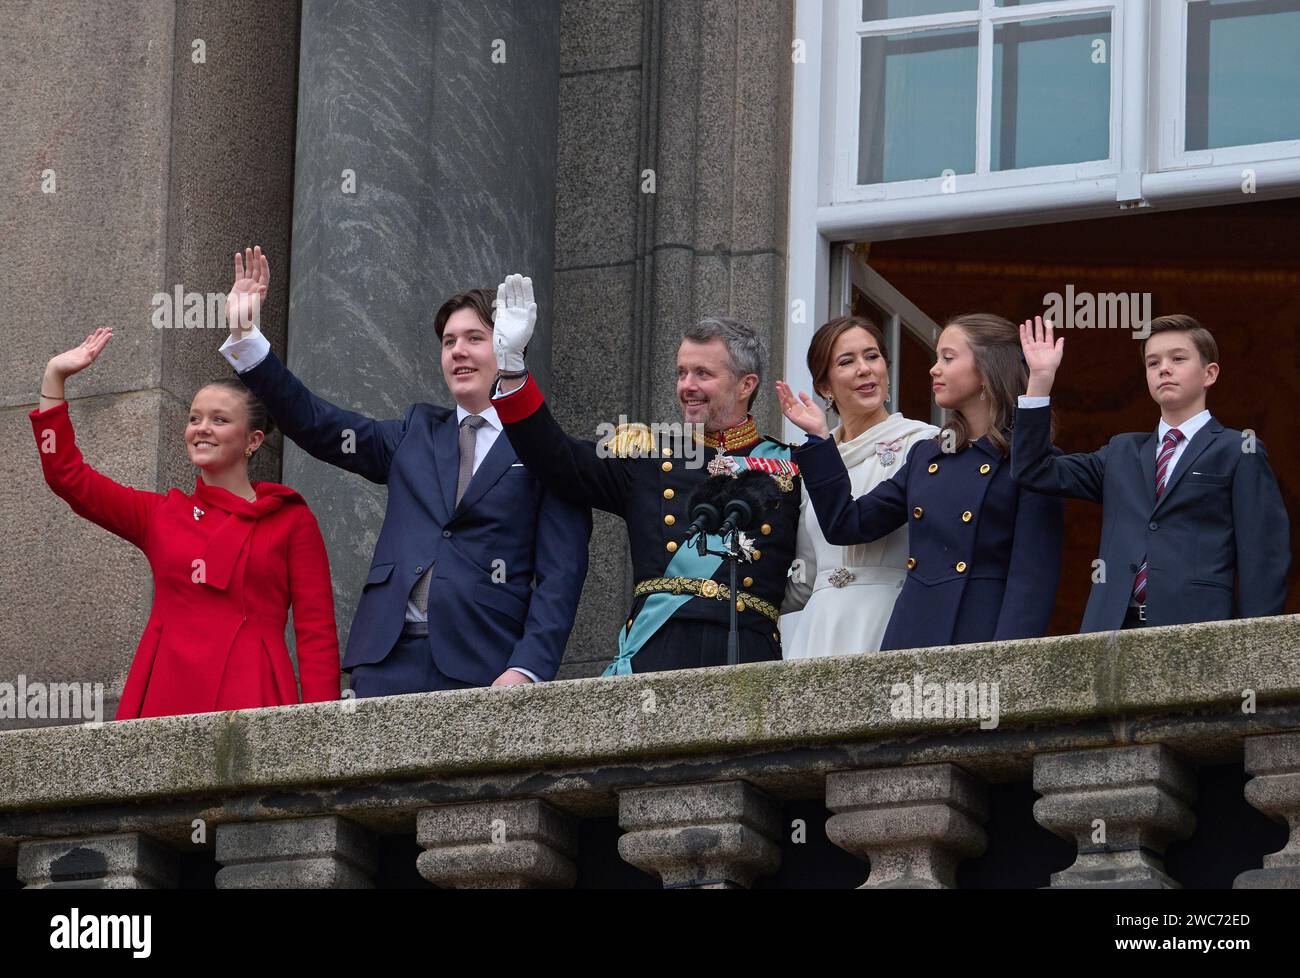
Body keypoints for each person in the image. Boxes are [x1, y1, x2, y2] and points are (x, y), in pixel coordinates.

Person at [218, 247, 590, 695]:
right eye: (449, 342)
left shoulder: (547, 450)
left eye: (474, 338)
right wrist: (247, 339)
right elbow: (317, 424)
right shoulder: (416, 431)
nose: (458, 351)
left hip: (486, 665)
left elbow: (560, 576)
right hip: (385, 660)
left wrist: (527, 669)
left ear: (510, 343)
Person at [490, 274, 802, 674]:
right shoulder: (647, 455)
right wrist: (514, 371)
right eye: (681, 372)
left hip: (750, 652)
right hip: (659, 650)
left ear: (746, 385)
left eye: (702, 374)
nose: (687, 386)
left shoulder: (789, 466)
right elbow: (556, 459)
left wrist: (821, 442)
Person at [31, 328, 339, 719]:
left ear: (253, 440)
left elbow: (316, 636)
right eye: (194, 418)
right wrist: (53, 378)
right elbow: (66, 477)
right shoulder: (161, 515)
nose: (201, 428)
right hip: (166, 694)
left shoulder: (291, 519)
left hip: (255, 696)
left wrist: (321, 730)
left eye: (219, 419)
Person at [779, 313, 1064, 651]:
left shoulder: (1032, 465)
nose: (933, 368)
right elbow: (846, 524)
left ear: (987, 369)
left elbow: (1030, 581)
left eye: (948, 357)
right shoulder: (926, 456)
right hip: (911, 641)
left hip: (979, 638)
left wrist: (1009, 662)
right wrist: (819, 441)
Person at [1013, 314, 1290, 630]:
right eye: (1152, 363)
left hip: (1197, 632)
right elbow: (1033, 469)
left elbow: (1263, 559)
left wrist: (1254, 643)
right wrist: (1040, 379)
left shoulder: (1238, 450)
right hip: (1110, 631)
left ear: (1209, 373)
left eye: (1178, 358)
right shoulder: (1121, 452)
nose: (1164, 369)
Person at [781, 316, 939, 658]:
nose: (865, 369)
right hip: (818, 629)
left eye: (872, 356)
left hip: (890, 617)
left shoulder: (924, 444)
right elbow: (803, 578)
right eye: (847, 361)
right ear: (825, 386)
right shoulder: (813, 460)